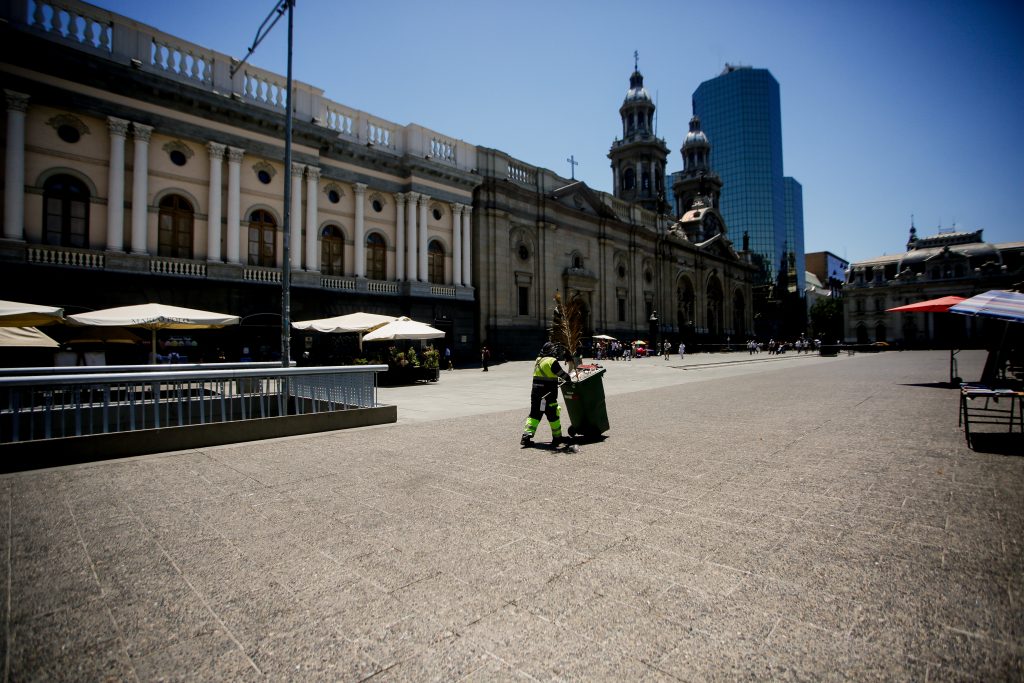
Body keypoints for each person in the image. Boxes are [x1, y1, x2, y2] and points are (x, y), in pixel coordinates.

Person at [521, 342, 573, 447]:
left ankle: (526, 436)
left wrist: (555, 381)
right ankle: (557, 438)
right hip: (548, 394)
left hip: (536, 394)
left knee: (534, 415)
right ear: (552, 351)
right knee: (553, 415)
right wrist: (568, 378)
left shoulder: (538, 360)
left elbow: (545, 376)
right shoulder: (552, 361)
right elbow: (563, 375)